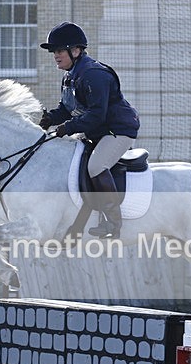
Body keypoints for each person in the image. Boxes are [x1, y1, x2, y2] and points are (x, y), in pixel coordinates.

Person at [39, 22, 140, 239]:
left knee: (96, 166)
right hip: (97, 131)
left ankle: (113, 223)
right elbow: (67, 109)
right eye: (53, 51)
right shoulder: (70, 75)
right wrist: (49, 119)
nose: (55, 55)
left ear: (75, 51)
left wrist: (67, 128)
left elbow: (96, 115)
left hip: (117, 131)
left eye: (59, 50)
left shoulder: (94, 74)